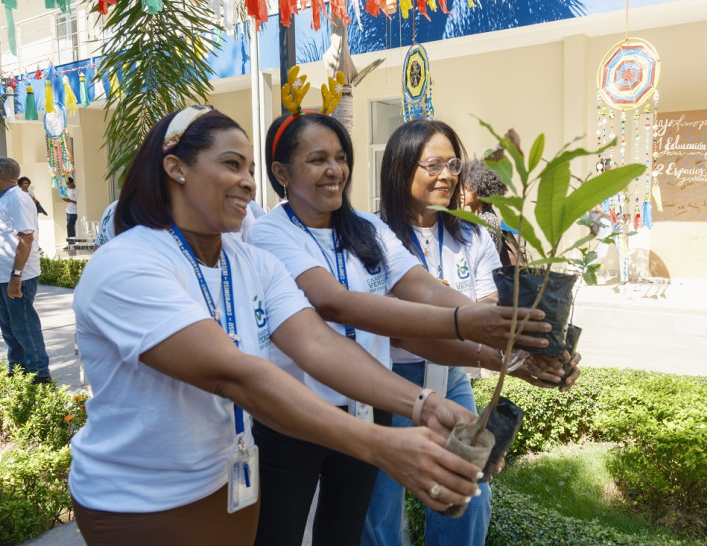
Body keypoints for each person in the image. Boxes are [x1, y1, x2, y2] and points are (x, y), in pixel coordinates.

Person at [69, 106, 484, 545]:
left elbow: (319, 344)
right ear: (176, 168)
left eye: (249, 168)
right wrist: (379, 444)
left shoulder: (250, 262)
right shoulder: (128, 264)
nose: (249, 181)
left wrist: (422, 403)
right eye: (232, 164)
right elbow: (235, 375)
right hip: (139, 503)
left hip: (226, 485)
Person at [247, 112, 554, 545]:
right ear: (281, 172)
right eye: (317, 159)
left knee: (348, 532)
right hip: (298, 417)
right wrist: (468, 322)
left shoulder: (367, 229)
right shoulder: (270, 234)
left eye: (340, 157)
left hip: (369, 403)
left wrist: (503, 334)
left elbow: (422, 287)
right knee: (281, 533)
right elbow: (335, 302)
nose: (334, 169)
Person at [364, 119, 581, 546]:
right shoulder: (372, 235)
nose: (447, 174)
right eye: (433, 164)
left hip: (453, 381)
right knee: (380, 508)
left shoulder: (473, 234)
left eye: (453, 163)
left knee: (468, 491)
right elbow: (396, 332)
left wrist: (538, 353)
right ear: (400, 168)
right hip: (388, 381)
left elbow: (488, 316)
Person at [0, 158, 51, 383]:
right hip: (1, 276)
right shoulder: (5, 199)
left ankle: (39, 373)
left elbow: (26, 239)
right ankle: (18, 369)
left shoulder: (17, 199)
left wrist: (16, 277)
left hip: (15, 277)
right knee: (10, 328)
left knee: (24, 326)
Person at [461, 158, 507, 258]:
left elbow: (476, 256)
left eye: (467, 189)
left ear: (481, 191)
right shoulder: (476, 216)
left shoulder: (488, 221)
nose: (461, 193)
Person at [63, 176, 78, 243]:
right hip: (68, 211)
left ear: (72, 182)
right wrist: (66, 200)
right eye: (67, 185)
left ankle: (72, 243)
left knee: (70, 226)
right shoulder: (68, 190)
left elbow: (78, 202)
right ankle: (71, 243)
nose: (68, 186)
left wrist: (70, 200)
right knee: (69, 227)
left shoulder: (77, 190)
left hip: (75, 211)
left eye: (69, 184)